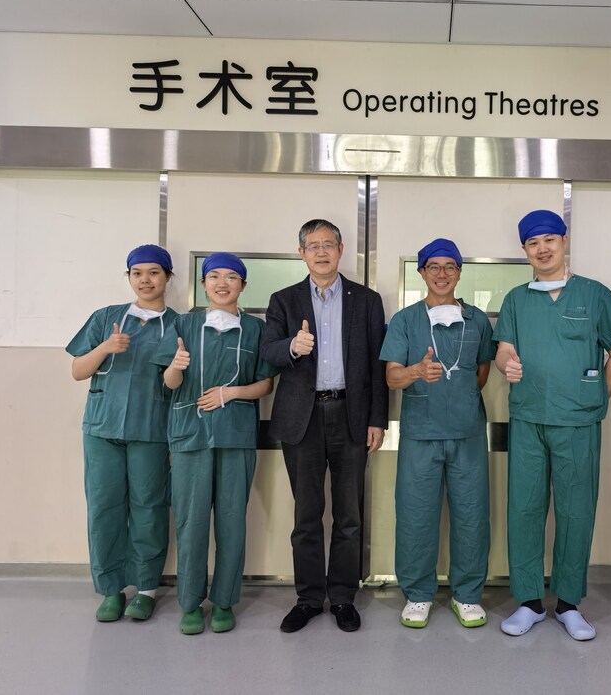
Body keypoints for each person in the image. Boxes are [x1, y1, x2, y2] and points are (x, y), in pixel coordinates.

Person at [493, 210, 611, 641]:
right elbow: (504, 349)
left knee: (576, 511)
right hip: (529, 418)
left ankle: (570, 604)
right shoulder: (516, 299)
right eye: (533, 243)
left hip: (578, 422)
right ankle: (530, 603)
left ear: (564, 241)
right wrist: (506, 363)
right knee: (524, 509)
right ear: (525, 250)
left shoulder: (594, 295)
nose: (543, 249)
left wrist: (596, 398)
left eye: (550, 240)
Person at [261, 219, 388, 633]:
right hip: (303, 418)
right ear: (301, 253)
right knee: (307, 515)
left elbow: (377, 364)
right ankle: (309, 598)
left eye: (328, 244)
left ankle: (344, 598)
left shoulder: (367, 300)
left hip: (352, 415)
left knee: (349, 515)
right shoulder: (284, 300)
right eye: (312, 245)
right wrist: (292, 347)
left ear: (341, 250)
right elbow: (268, 352)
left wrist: (377, 419)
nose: (320, 252)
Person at [153, 252, 276, 635]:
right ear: (203, 283)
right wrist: (176, 367)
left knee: (231, 520)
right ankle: (190, 603)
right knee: (190, 522)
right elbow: (169, 383)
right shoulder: (183, 324)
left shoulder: (255, 329)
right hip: (190, 434)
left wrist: (231, 392)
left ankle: (224, 601)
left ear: (243, 285)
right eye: (214, 277)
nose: (223, 284)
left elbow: (265, 384)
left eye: (231, 277)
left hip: (236, 434)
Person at [381, 238, 495, 629]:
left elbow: (482, 370)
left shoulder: (477, 321)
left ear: (459, 273)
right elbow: (391, 377)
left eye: (450, 267)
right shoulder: (405, 321)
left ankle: (467, 595)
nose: (442, 274)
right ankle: (418, 595)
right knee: (416, 515)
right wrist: (416, 372)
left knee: (472, 515)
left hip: (467, 433)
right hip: (421, 434)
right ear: (422, 273)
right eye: (434, 266)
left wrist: (458, 395)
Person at [67, 245, 178, 623]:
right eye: (137, 273)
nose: (145, 280)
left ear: (168, 277)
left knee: (150, 507)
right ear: (129, 277)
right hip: (102, 428)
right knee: (104, 507)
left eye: (154, 272)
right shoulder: (106, 318)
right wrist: (106, 347)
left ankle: (145, 589)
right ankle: (111, 589)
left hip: (152, 428)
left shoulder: (178, 325)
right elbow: (78, 371)